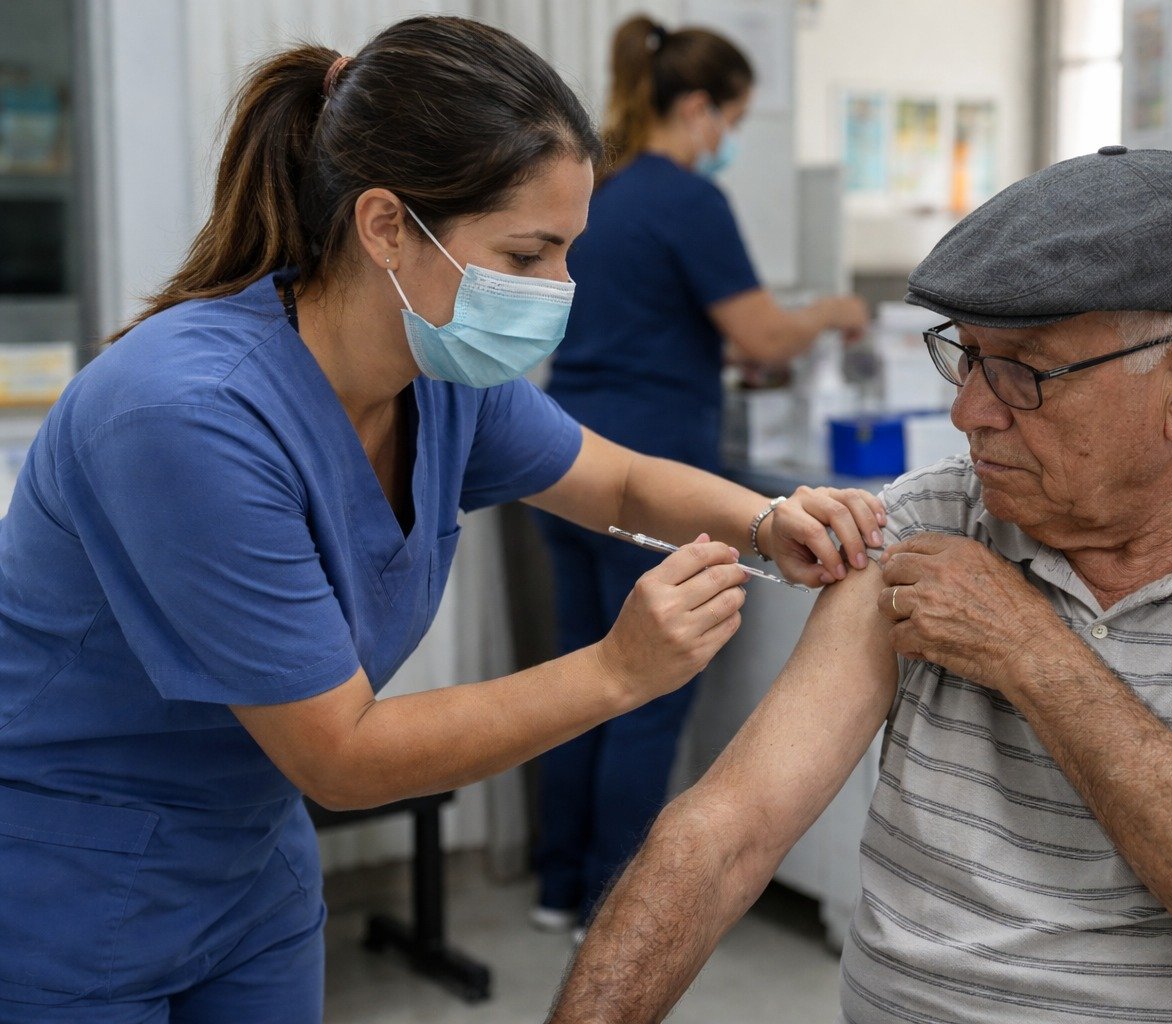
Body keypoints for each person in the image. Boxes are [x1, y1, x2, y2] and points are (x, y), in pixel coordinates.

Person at [0, 17, 884, 1023]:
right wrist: (617, 669)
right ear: (386, 227)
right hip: (65, 876)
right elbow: (341, 752)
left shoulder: (440, 370)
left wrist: (771, 519)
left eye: (566, 252)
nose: (558, 290)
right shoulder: (189, 417)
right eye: (527, 251)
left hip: (248, 860)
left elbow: (622, 483)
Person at [546, 147, 1172, 1023]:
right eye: (967, 355)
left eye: (1023, 370)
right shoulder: (933, 514)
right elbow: (723, 834)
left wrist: (1029, 650)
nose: (968, 410)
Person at [530, 13, 873, 935]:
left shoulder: (595, 189)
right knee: (643, 688)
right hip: (651, 465)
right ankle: (617, 907)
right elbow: (758, 335)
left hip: (560, 455)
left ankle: (560, 888)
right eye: (730, 121)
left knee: (581, 680)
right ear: (696, 107)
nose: (728, 142)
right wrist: (831, 311)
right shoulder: (685, 199)